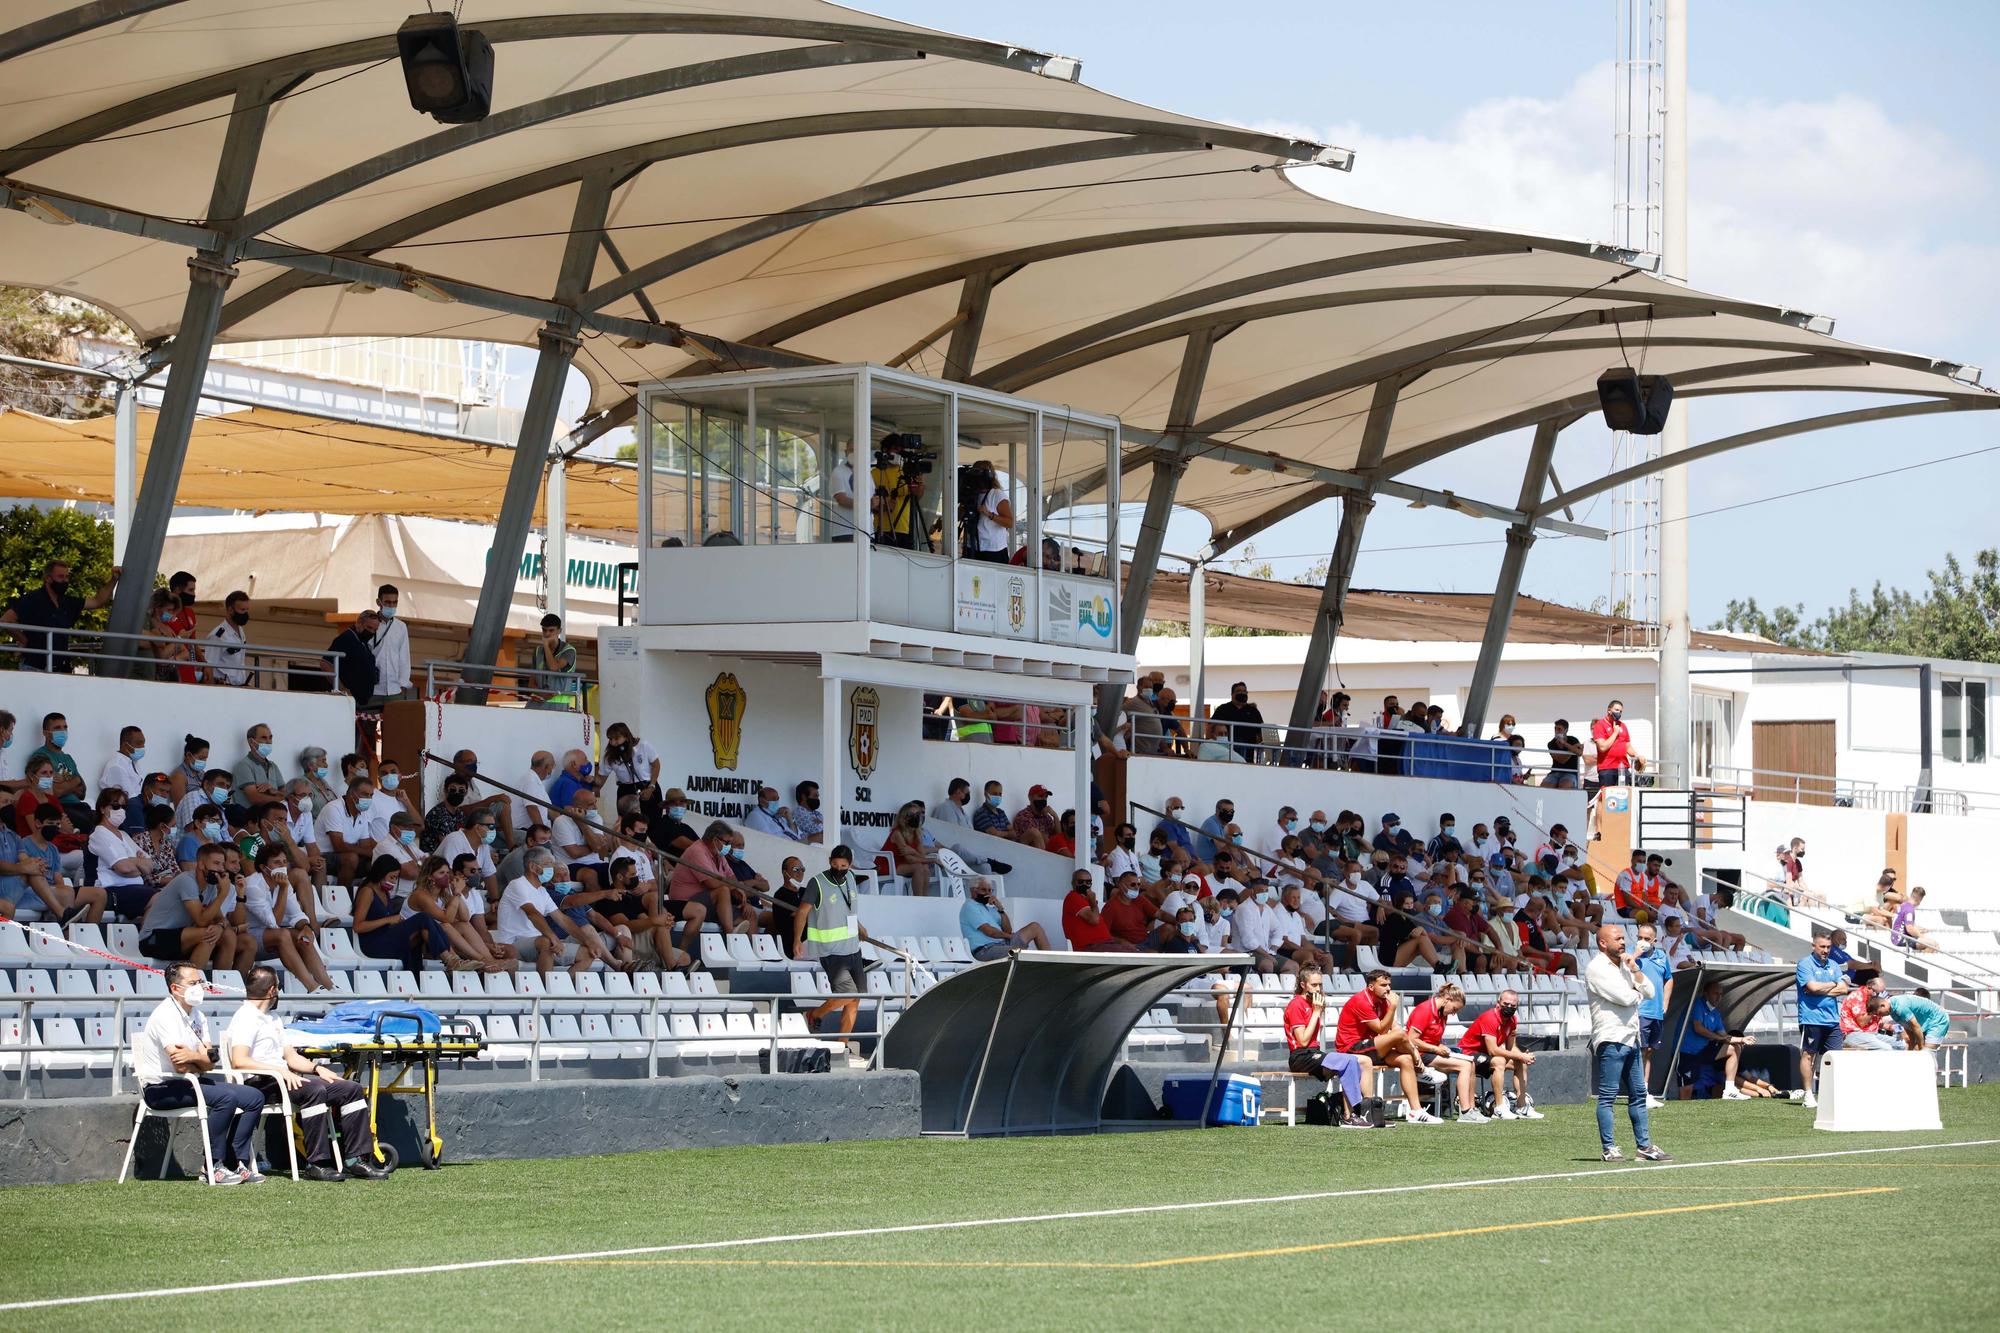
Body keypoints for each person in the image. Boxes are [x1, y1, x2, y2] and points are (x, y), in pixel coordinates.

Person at [225, 966, 387, 1180]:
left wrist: (317, 1068)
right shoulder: (246, 1017)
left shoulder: (271, 1018)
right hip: (260, 1082)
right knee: (314, 1090)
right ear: (273, 990)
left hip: (283, 1078)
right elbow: (239, 1060)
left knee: (350, 1088)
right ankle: (317, 1163)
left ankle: (355, 1159)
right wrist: (280, 1071)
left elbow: (291, 1057)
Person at [134, 962, 267, 1185]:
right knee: (227, 1097)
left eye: (200, 982)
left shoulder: (198, 1015)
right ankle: (212, 1166)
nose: (199, 987)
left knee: (254, 1097)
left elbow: (210, 1062)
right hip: (162, 1088)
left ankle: (236, 1162)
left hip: (189, 1082)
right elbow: (180, 1066)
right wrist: (199, 1059)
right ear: (175, 988)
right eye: (192, 983)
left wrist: (195, 1057)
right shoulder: (165, 1015)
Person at [1584, 922, 1670, 1162]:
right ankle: (1609, 1148)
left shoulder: (1625, 964)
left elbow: (1652, 991)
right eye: (1618, 939)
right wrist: (1638, 992)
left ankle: (1645, 1147)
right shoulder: (1595, 968)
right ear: (1603, 943)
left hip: (1631, 1037)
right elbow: (1624, 998)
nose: (1623, 942)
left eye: (1623, 938)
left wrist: (1634, 970)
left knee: (1639, 1093)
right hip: (1611, 1038)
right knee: (1608, 1095)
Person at [791, 846, 876, 1049]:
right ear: (829, 861)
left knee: (855, 1000)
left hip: (852, 948)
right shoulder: (817, 883)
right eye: (835, 865)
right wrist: (796, 940)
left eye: (843, 866)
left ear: (850, 865)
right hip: (830, 951)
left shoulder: (851, 878)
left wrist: (859, 926)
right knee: (847, 994)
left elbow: (848, 909)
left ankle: (843, 1045)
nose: (839, 869)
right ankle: (815, 1014)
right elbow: (802, 913)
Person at [1333, 970, 1443, 1123]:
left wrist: (1405, 1043)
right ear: (1371, 986)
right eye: (1383, 985)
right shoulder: (1361, 1001)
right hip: (1352, 1048)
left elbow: (1395, 1028)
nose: (1388, 989)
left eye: (1389, 985)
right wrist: (1393, 1007)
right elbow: (1381, 1029)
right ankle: (1422, 1069)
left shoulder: (1383, 1001)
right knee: (1400, 1038)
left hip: (1370, 1048)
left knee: (1405, 1059)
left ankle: (1416, 1112)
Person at [1284, 967, 1377, 1129]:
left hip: (1314, 1054)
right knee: (1348, 1060)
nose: (1318, 989)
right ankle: (1348, 1116)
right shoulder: (1296, 1004)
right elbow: (1303, 1041)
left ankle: (1366, 1111)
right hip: (1300, 1056)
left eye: (1320, 984)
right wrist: (1316, 1012)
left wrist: (1316, 1010)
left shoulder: (1312, 1003)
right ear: (1303, 985)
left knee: (1363, 1061)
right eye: (1314, 985)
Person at [1, 559, 118, 671]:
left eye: (67, 576)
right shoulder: (33, 599)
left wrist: (113, 579)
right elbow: (5, 621)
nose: (65, 580)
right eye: (60, 577)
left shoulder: (67, 602)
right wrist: (25, 640)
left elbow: (97, 601)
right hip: (34, 667)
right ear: (48, 578)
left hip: (60, 668)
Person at [1405, 984, 1484, 1123]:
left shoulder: (1442, 1013)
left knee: (1470, 1063)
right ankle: (1465, 1111)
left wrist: (1439, 1046)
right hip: (1418, 1054)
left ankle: (1471, 1108)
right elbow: (1411, 1039)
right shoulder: (1425, 1010)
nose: (1454, 1013)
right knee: (1464, 1066)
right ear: (1447, 999)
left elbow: (1432, 1039)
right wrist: (1436, 1049)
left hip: (1429, 1051)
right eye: (1454, 1009)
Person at [1461, 990, 1542, 1120]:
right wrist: (1520, 1056)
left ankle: (1521, 1106)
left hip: (1487, 1056)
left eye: (1513, 1005)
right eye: (1506, 1004)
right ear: (1498, 1003)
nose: (1509, 1007)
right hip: (1470, 1054)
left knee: (1520, 1062)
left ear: (1517, 1006)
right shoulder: (1490, 1018)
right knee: (1499, 1061)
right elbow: (1493, 1050)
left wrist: (1522, 1056)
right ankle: (1499, 1108)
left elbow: (1511, 1048)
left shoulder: (1512, 1020)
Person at [1794, 932, 1850, 1108]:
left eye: (1828, 947)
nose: (1826, 950)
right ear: (1814, 946)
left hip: (1832, 1019)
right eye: (1822, 947)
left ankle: (1833, 1094)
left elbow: (1844, 989)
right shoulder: (1805, 964)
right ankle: (1808, 1095)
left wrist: (1822, 988)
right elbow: (1810, 987)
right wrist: (1832, 985)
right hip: (1812, 1019)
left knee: (1835, 1058)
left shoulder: (1833, 964)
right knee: (1808, 1055)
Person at [666, 820, 750, 934]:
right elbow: (712, 883)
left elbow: (731, 876)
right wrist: (734, 887)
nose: (729, 847)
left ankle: (746, 950)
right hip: (685, 902)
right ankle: (730, 934)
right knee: (723, 890)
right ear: (715, 840)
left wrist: (740, 894)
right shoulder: (697, 851)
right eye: (727, 843)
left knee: (750, 915)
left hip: (709, 902)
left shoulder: (719, 854)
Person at [1678, 979, 1750, 1100]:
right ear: (1706, 993)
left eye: (1721, 994)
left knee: (1734, 1048)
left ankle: (1729, 1089)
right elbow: (1698, 1028)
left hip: (1703, 1051)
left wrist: (1741, 1040)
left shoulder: (1715, 1013)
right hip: (1688, 1052)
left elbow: (1724, 1035)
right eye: (1715, 993)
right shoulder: (1697, 1004)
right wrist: (1718, 1037)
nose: (1719, 997)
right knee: (1687, 1088)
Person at [1632, 922, 1675, 1108]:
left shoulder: (1661, 956)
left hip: (1656, 1012)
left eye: (1646, 939)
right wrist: (1635, 956)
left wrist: (1665, 1002)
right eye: (1639, 937)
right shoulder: (1631, 957)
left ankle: (1645, 1091)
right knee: (1639, 1051)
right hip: (1640, 1011)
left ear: (1655, 941)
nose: (1642, 942)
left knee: (1649, 1052)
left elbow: (1669, 979)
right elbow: (1623, 973)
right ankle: (1640, 1093)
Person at [1061, 871, 1133, 952]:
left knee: (1136, 950)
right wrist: (1093, 902)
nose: (1084, 885)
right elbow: (1094, 920)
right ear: (1073, 883)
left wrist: (1119, 941)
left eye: (1088, 882)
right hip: (1090, 946)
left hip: (1105, 944)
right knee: (1132, 953)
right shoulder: (1073, 897)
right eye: (1080, 882)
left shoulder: (1085, 899)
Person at [369, 584, 414, 702]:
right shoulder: (368, 624)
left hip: (395, 690)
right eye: (388, 602)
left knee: (395, 721)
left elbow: (404, 657)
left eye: (395, 602)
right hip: (371, 689)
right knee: (366, 720)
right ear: (379, 602)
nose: (391, 606)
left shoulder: (401, 627)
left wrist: (403, 684)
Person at [201, 590, 253, 687]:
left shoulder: (240, 630)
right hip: (224, 687)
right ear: (230, 610)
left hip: (240, 686)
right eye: (242, 610)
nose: (245, 614)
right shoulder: (217, 636)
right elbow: (209, 667)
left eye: (247, 610)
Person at [231, 722, 285, 814]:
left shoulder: (273, 766)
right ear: (251, 742)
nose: (268, 742)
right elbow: (255, 798)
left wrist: (274, 791)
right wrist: (280, 798)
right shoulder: (244, 765)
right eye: (264, 738)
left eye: (270, 737)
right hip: (251, 821)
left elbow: (286, 793)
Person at [532, 613, 581, 709]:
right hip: (538, 701)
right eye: (544, 630)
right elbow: (531, 682)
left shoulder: (569, 650)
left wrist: (546, 646)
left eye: (551, 630)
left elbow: (553, 666)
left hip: (559, 705)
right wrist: (541, 693)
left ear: (559, 631)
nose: (547, 634)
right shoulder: (537, 651)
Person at [1210, 682, 1264, 762]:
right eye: (1239, 691)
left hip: (1248, 756)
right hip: (1226, 754)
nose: (1242, 693)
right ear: (1232, 694)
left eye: (1244, 691)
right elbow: (1210, 728)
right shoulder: (1223, 709)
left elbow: (1260, 733)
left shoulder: (1254, 711)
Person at [1591, 698, 1637, 786]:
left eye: (1620, 711)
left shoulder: (1622, 725)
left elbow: (1628, 747)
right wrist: (1615, 733)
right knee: (1607, 797)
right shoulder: (1600, 725)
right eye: (1616, 710)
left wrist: (1637, 756)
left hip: (1623, 768)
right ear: (1609, 710)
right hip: (1607, 769)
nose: (1618, 713)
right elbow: (1602, 747)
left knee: (1623, 796)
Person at [1890, 887, 1935, 952]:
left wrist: (1918, 929)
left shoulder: (1904, 905)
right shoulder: (1909, 909)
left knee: (1931, 943)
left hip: (1896, 937)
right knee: (1933, 944)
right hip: (1900, 939)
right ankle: (1922, 961)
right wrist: (1921, 936)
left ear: (1911, 894)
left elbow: (1906, 924)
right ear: (1920, 899)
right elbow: (1909, 929)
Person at [1544, 718, 1584, 789]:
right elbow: (1561, 760)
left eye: (1559, 729)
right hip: (1555, 772)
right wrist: (1572, 749)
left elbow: (1580, 753)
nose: (1556, 731)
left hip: (1571, 773)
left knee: (1564, 786)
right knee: (1545, 787)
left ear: (1566, 730)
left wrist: (1564, 743)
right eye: (1555, 729)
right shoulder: (1551, 743)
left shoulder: (1573, 739)